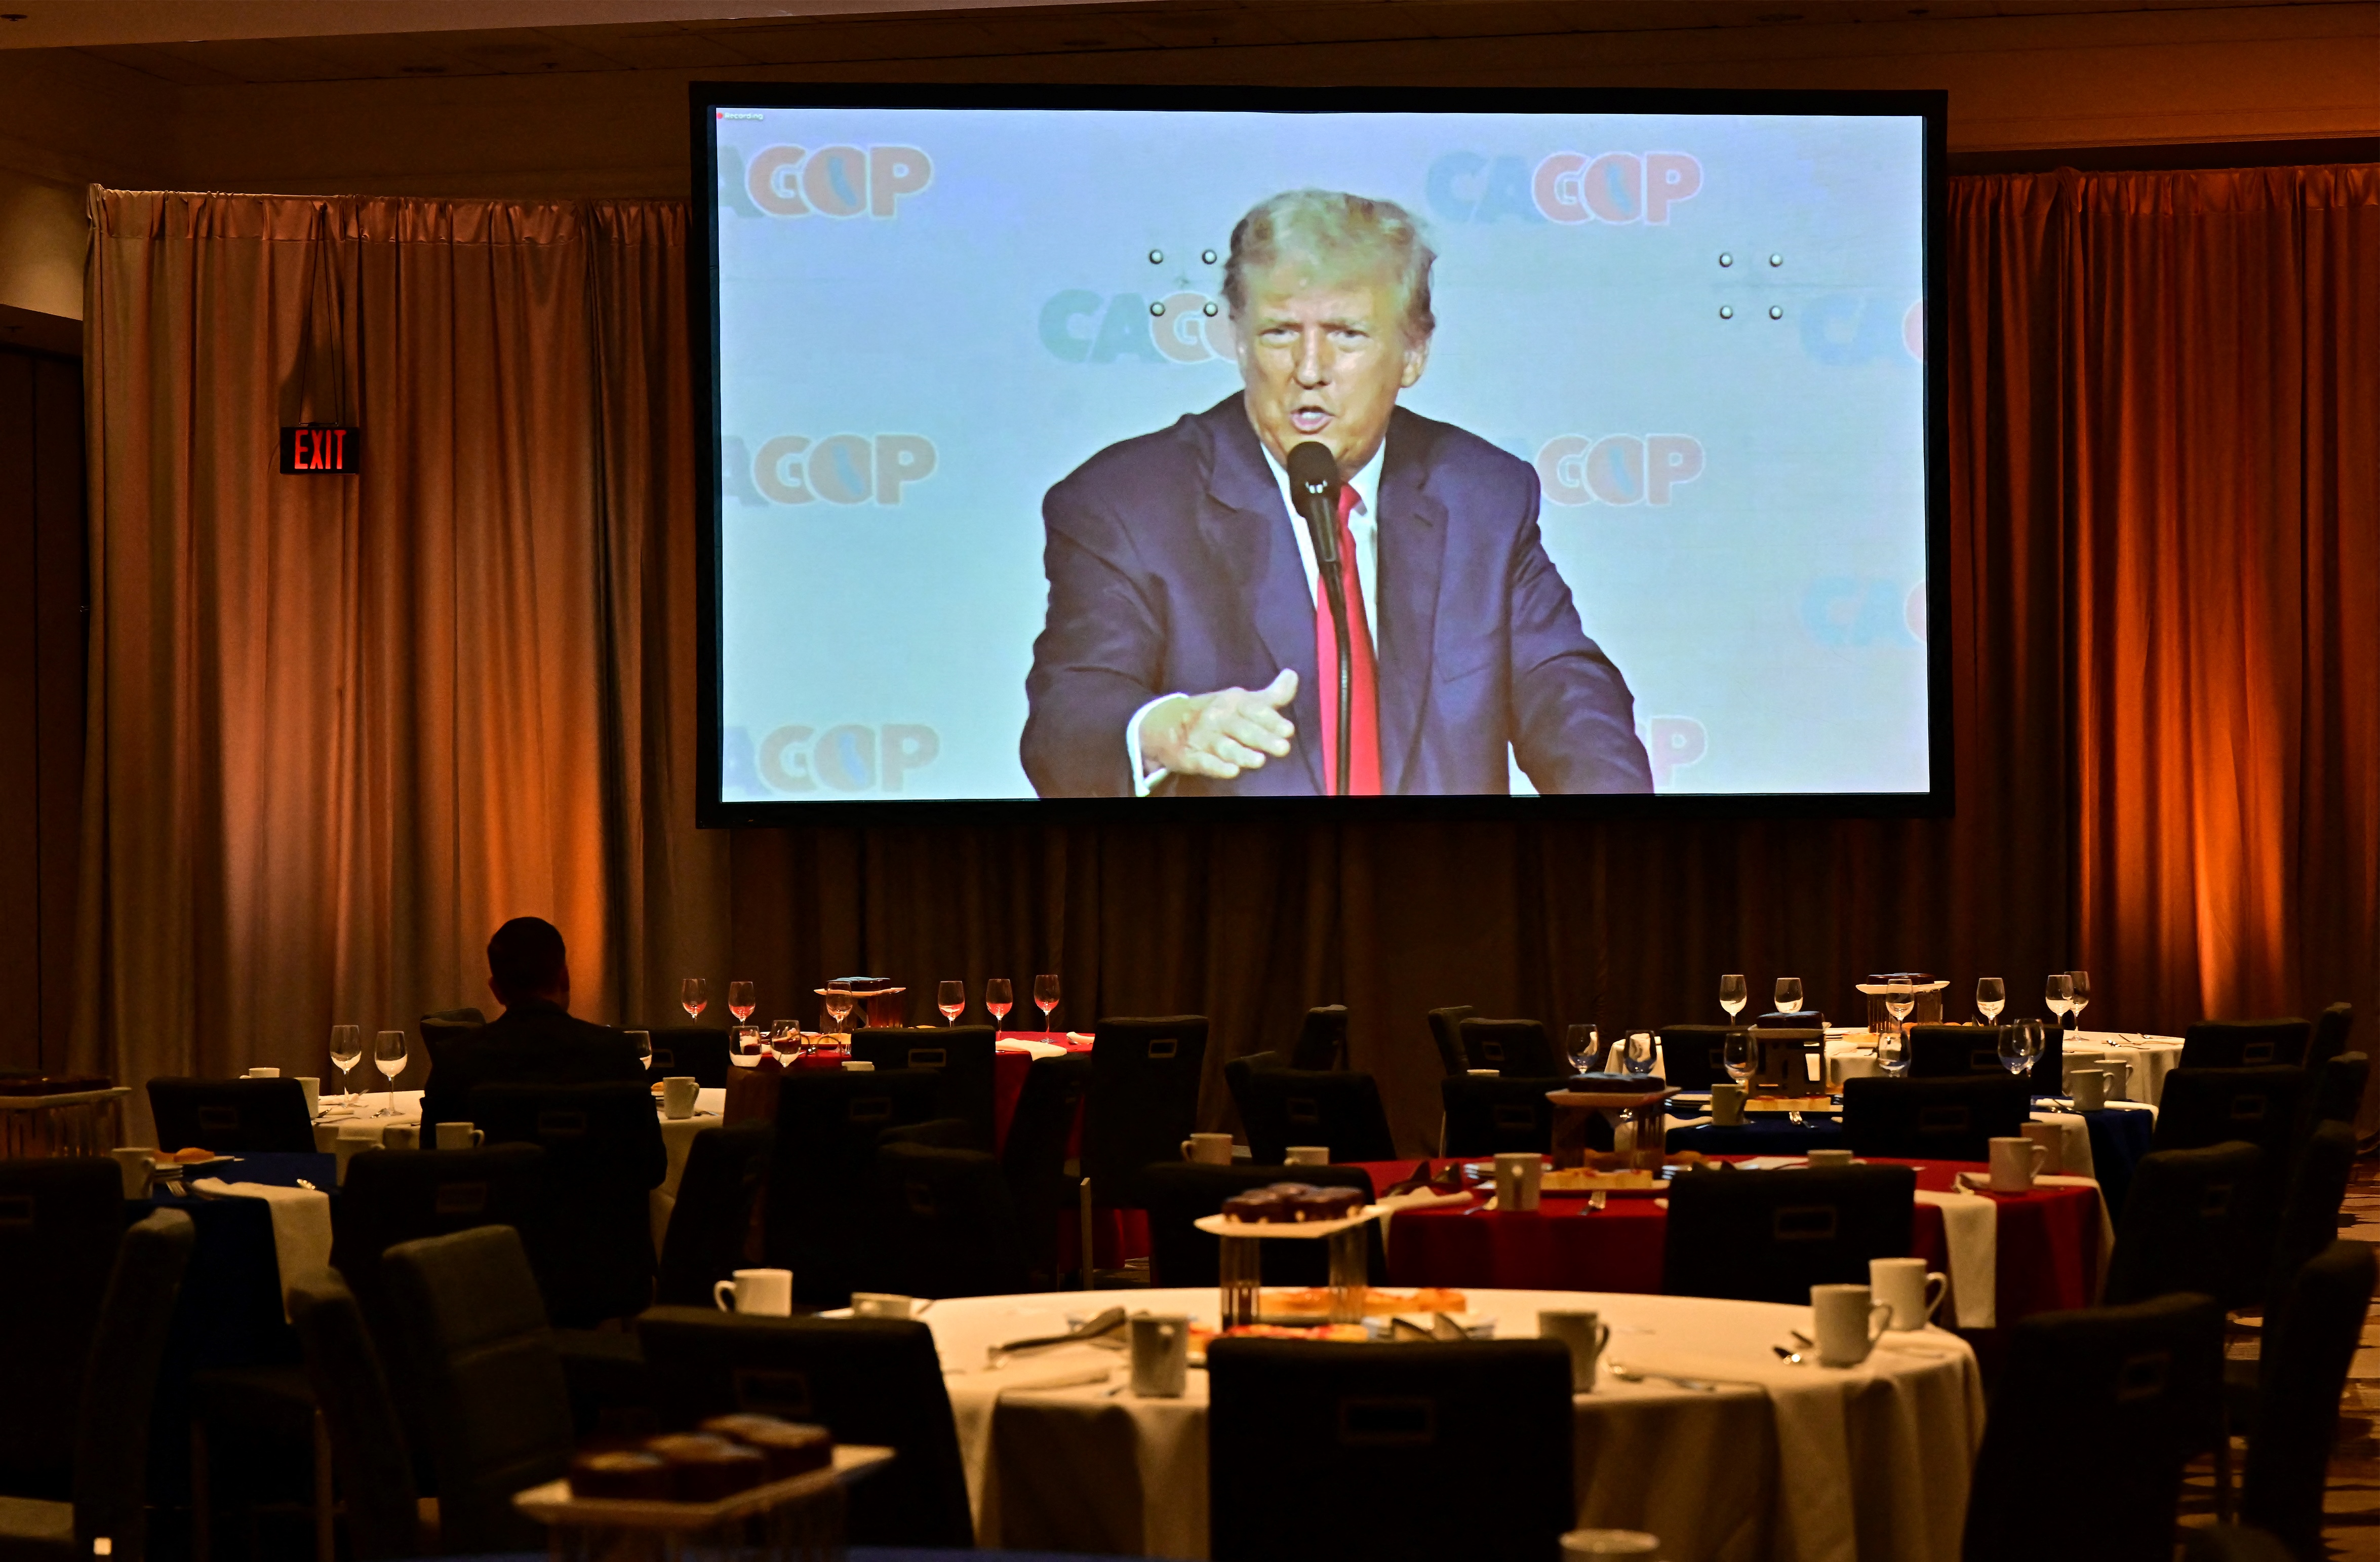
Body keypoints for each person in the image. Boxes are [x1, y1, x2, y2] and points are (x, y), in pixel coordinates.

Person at [1021, 188, 1653, 799]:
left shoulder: (1481, 495)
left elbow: (1564, 691)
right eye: (1278, 334)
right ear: (1239, 343)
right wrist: (1162, 733)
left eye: (1346, 334)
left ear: (1412, 353)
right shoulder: (1124, 504)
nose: (1309, 369)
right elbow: (1068, 722)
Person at [422, 916, 663, 1185]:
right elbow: (653, 1168)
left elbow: (433, 1168)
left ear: (497, 990)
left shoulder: (456, 1058)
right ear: (565, 976)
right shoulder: (617, 1052)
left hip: (497, 1223)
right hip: (602, 1223)